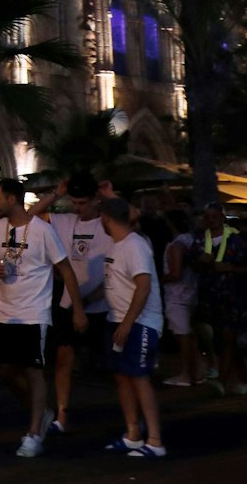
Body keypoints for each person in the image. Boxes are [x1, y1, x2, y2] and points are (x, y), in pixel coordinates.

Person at [0, 177, 86, 458]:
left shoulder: (43, 231)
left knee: (33, 370)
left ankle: (33, 434)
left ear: (11, 199)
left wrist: (78, 309)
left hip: (34, 312)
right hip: (4, 312)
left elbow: (65, 269)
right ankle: (40, 411)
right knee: (6, 370)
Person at [34, 170, 112, 434]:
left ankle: (133, 415)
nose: (78, 208)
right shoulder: (65, 220)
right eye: (75, 203)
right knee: (63, 358)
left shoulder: (107, 223)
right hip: (69, 303)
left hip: (102, 305)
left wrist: (109, 196)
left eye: (83, 203)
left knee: (115, 365)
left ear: (95, 199)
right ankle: (62, 414)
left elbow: (133, 218)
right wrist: (56, 194)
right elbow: (31, 216)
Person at [97, 197, 166, 457]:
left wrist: (127, 323)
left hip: (140, 322)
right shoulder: (118, 245)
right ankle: (133, 433)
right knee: (122, 376)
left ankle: (155, 440)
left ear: (106, 218)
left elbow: (143, 286)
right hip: (118, 319)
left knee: (139, 376)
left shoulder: (135, 245)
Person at [193, 201, 246, 394]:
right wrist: (201, 262)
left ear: (223, 218)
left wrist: (230, 268)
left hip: (233, 298)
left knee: (228, 339)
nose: (211, 220)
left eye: (215, 216)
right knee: (219, 340)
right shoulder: (199, 241)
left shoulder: (237, 240)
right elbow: (192, 266)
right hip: (209, 298)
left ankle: (222, 381)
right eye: (207, 217)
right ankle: (239, 379)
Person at [160, 207, 201, 387]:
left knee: (182, 335)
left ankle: (185, 374)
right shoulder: (191, 240)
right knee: (189, 335)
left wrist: (158, 279)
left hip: (177, 295)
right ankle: (196, 371)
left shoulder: (176, 245)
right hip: (190, 292)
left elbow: (175, 273)